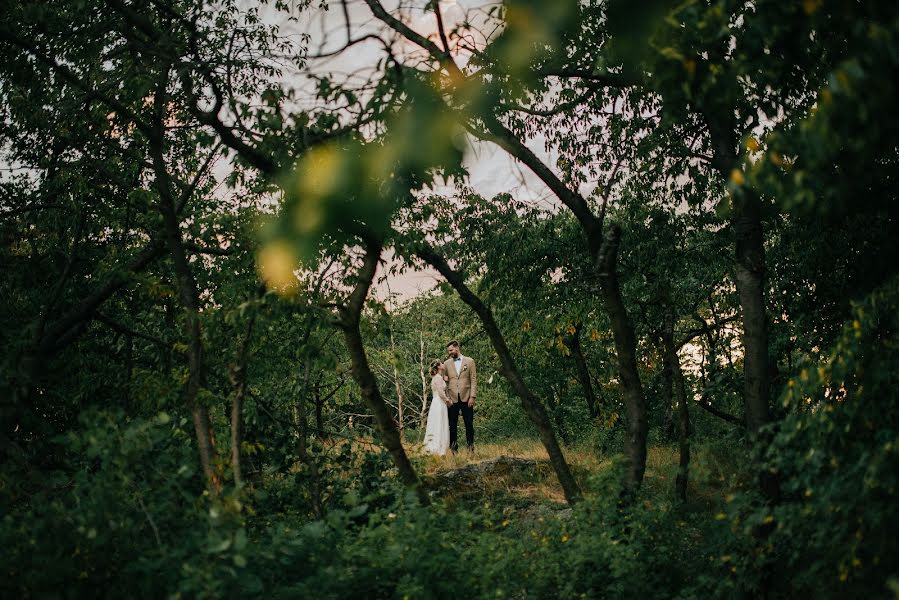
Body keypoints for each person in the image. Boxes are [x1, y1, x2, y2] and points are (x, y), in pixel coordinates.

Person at [442, 340, 477, 454]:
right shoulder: (446, 363)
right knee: (452, 425)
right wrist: (447, 397)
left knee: (469, 424)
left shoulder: (470, 361)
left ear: (457, 348)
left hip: (466, 397)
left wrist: (472, 396)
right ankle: (454, 450)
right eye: (448, 351)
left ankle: (470, 448)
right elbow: (443, 381)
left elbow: (473, 379)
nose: (450, 353)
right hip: (452, 399)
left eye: (451, 350)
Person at [423, 360, 451, 455]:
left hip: (436, 402)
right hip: (439, 402)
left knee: (436, 423)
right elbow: (440, 392)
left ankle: (436, 446)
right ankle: (438, 448)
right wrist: (448, 400)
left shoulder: (438, 377)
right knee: (439, 423)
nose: (443, 364)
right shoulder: (438, 378)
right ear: (439, 366)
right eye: (442, 363)